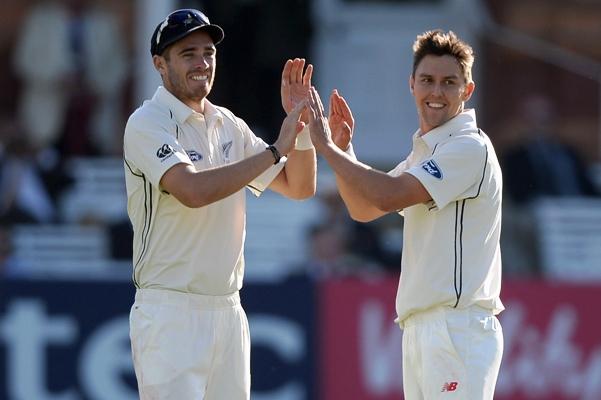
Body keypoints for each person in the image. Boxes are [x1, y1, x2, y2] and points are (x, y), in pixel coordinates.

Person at [122, 9, 316, 399]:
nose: (202, 63)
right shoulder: (147, 122)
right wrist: (277, 149)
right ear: (160, 64)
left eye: (208, 52)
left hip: (228, 309)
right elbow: (191, 191)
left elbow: (299, 186)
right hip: (170, 310)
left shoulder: (229, 124)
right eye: (188, 53)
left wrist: (303, 127)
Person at [306, 30, 504, 399]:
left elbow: (386, 196)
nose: (436, 92)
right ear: (411, 84)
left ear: (468, 90)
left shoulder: (468, 146)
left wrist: (328, 151)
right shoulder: (426, 151)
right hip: (422, 328)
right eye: (427, 81)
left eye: (450, 82)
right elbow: (363, 208)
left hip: (456, 328)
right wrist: (345, 152)